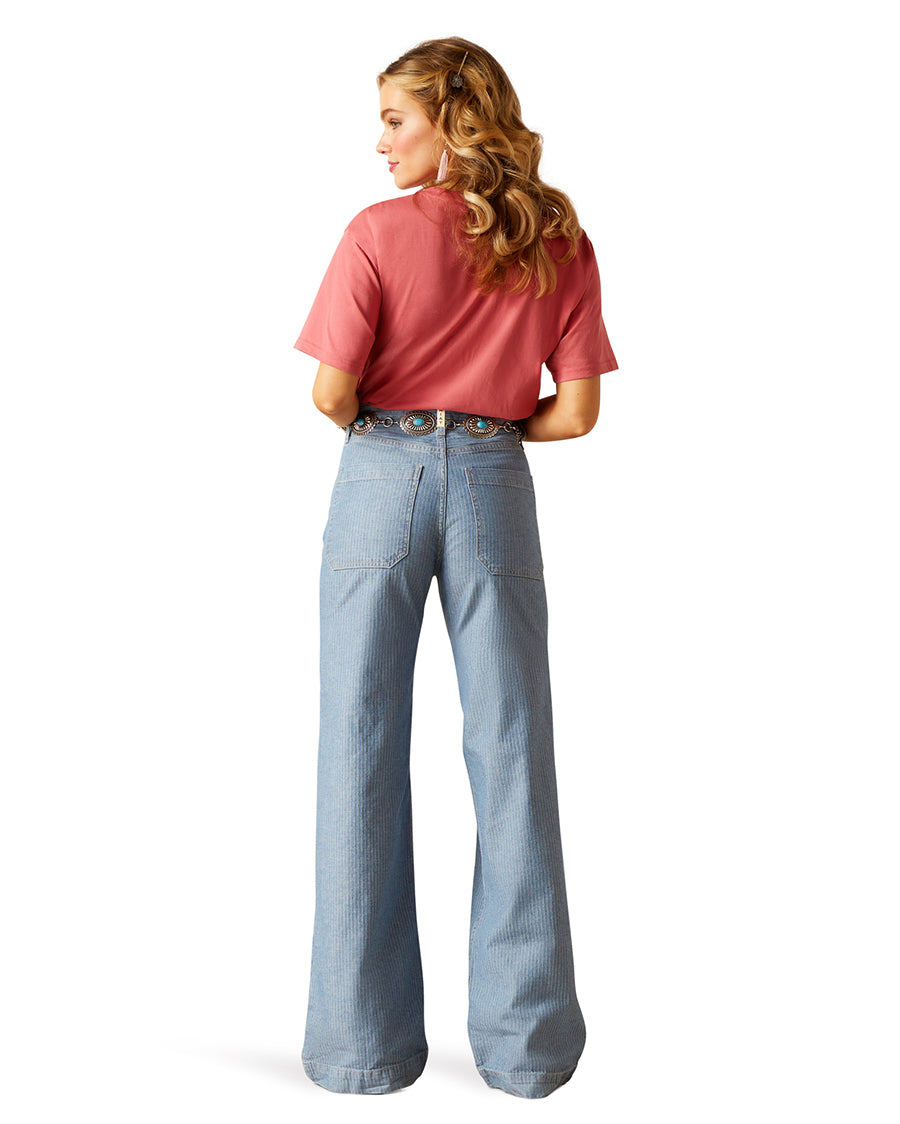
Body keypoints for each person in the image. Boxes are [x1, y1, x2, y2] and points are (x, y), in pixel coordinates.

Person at [292, 36, 618, 1099]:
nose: (380, 141)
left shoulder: (376, 233)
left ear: (451, 120)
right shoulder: (556, 238)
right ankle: (528, 1049)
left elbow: (330, 393)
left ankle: (362, 1046)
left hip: (379, 475)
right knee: (512, 747)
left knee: (359, 742)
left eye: (396, 119)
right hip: (491, 480)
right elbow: (577, 413)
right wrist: (486, 428)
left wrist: (398, 429)